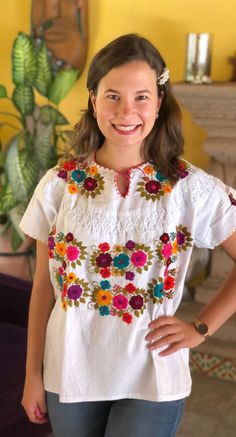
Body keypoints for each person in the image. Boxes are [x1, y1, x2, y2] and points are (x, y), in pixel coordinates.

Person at [20, 34, 236, 437]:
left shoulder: (189, 186)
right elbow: (43, 287)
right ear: (93, 99)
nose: (126, 111)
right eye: (113, 96)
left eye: (141, 96)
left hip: (153, 372)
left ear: (158, 102)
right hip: (70, 370)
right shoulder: (57, 185)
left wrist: (201, 328)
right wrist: (34, 374)